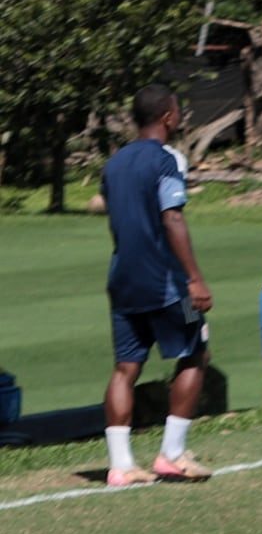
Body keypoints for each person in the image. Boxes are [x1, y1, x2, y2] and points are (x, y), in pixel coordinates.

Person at [100, 84, 216, 487]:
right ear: (168, 116)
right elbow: (172, 218)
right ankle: (172, 454)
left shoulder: (112, 164)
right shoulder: (169, 159)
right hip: (169, 285)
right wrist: (194, 279)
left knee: (125, 369)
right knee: (197, 351)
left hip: (123, 283)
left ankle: (120, 465)